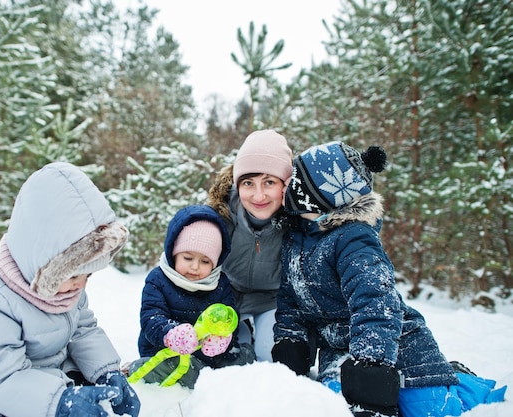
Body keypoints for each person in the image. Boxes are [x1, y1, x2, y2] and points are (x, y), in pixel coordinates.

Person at [272, 141, 507, 417]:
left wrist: (371, 364)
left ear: (316, 193)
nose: (287, 187)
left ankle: (462, 381)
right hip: (340, 352)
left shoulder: (354, 240)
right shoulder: (295, 239)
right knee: (337, 406)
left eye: (295, 180)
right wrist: (291, 343)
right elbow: (290, 300)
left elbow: (376, 300)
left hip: (396, 344)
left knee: (432, 409)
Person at [0, 162, 141, 417]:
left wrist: (106, 372)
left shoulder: (67, 288)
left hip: (39, 368)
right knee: (3, 409)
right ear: (43, 262)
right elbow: (4, 379)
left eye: (88, 274)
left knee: (82, 389)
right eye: (75, 273)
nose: (82, 283)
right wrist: (59, 401)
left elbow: (83, 331)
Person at [127, 204, 255, 388]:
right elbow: (150, 318)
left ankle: (208, 375)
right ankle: (199, 377)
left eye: (205, 261)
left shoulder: (220, 283)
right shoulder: (158, 279)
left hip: (210, 357)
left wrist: (222, 339)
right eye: (187, 258)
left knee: (243, 359)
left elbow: (227, 316)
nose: (195, 267)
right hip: (168, 354)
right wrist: (170, 333)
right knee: (148, 368)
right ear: (173, 253)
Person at [207, 129, 294, 362]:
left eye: (269, 182)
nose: (258, 196)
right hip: (227, 297)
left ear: (285, 185)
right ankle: (243, 329)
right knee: (232, 356)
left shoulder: (297, 221)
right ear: (237, 185)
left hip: (273, 300)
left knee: (271, 356)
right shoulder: (220, 215)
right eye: (248, 183)